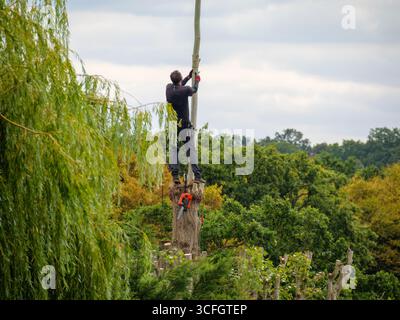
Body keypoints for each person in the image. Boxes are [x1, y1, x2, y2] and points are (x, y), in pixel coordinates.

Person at [166, 69, 204, 184]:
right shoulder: (185, 90)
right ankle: (197, 176)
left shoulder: (168, 88)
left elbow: (180, 85)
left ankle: (175, 176)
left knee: (174, 149)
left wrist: (188, 77)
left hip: (173, 124)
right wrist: (197, 80)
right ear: (179, 78)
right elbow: (194, 90)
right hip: (184, 124)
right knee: (190, 149)